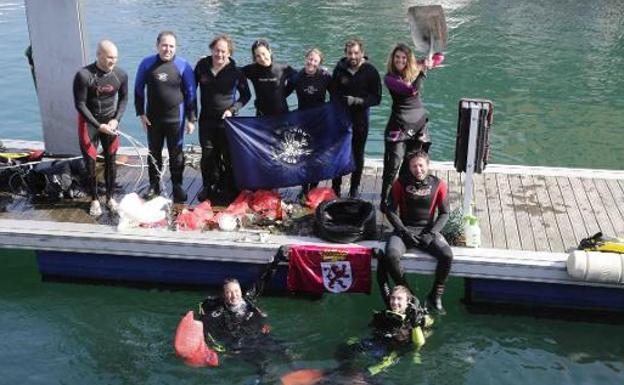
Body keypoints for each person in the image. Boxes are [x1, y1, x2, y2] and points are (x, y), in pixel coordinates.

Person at [384, 150, 453, 314]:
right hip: (405, 230)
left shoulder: (439, 184)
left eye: (421, 165)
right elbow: (390, 211)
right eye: (414, 166)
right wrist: (404, 232)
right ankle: (409, 295)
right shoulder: (400, 183)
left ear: (428, 166)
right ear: (409, 167)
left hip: (428, 231)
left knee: (447, 255)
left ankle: (435, 296)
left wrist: (432, 233)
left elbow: (445, 213)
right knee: (391, 256)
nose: (418, 169)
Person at [198, 252, 289, 375]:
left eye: (236, 291)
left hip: (259, 335)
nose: (234, 295)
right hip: (241, 343)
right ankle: (267, 378)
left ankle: (296, 368)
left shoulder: (248, 300)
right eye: (229, 292)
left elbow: (262, 281)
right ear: (224, 295)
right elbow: (204, 328)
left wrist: (276, 261)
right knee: (262, 363)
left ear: (241, 291)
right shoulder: (218, 312)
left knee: (285, 351)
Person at [134, 30, 196, 203]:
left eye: (171, 46)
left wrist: (191, 119)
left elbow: (191, 93)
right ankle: (154, 185)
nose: (167, 49)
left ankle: (177, 186)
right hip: (153, 118)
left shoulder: (183, 66)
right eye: (164, 45)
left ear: (175, 48)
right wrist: (141, 113)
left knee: (176, 153)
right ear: (157, 46)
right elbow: (139, 89)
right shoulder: (147, 64)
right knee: (154, 152)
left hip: (176, 118)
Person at [73, 39, 128, 216]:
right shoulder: (83, 75)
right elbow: (80, 105)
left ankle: (110, 198)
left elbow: (124, 99)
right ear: (99, 55)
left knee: (111, 161)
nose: (114, 61)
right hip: (89, 123)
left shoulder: (120, 75)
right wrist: (98, 125)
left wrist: (116, 120)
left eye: (116, 57)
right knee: (90, 163)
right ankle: (94, 199)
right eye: (110, 57)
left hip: (110, 123)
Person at [194, 34, 250, 203]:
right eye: (217, 50)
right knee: (208, 155)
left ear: (229, 53)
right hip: (206, 120)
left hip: (228, 122)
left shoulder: (236, 72)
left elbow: (246, 95)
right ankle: (208, 186)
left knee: (228, 156)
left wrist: (232, 110)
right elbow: (190, 90)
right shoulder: (202, 66)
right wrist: (190, 116)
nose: (219, 54)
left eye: (223, 51)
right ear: (211, 50)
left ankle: (230, 187)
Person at [380, 43, 432, 212]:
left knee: (411, 164)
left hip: (419, 124)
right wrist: (423, 71)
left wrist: (429, 59)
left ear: (408, 59)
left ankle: (400, 196)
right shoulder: (390, 78)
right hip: (399, 126)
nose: (400, 60)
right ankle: (385, 199)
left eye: (403, 57)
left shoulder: (414, 68)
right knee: (393, 164)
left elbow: (440, 58)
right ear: (392, 59)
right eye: (397, 57)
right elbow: (411, 91)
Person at [330, 38, 382, 198]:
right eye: (350, 53)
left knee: (358, 154)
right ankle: (335, 187)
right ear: (345, 54)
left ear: (362, 53)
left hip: (361, 119)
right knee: (339, 152)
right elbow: (332, 92)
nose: (353, 56)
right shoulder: (339, 69)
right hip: (342, 118)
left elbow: (377, 98)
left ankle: (354, 187)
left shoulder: (371, 71)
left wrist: (357, 101)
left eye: (356, 53)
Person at [288, 48, 332, 197]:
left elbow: (336, 94)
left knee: (317, 155)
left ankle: (313, 187)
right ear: (305, 58)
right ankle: (304, 187)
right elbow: (282, 93)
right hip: (302, 121)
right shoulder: (297, 77)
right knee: (303, 155)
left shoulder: (325, 76)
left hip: (320, 121)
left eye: (315, 61)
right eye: (310, 59)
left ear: (319, 63)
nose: (311, 63)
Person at [242, 39, 296, 117]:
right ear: (255, 58)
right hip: (261, 116)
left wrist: (284, 93)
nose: (262, 58)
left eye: (264, 54)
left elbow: (300, 78)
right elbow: (233, 72)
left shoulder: (283, 69)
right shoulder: (251, 70)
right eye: (258, 56)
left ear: (270, 51)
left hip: (283, 116)